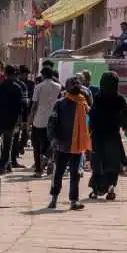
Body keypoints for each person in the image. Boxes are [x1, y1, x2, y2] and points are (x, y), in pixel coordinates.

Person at [88, 70, 127, 200]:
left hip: (98, 136)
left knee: (98, 163)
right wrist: (122, 123)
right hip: (113, 136)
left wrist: (90, 131)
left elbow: (92, 116)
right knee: (113, 163)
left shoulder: (97, 98)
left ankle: (95, 190)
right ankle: (110, 189)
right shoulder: (119, 99)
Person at [47, 76, 91, 211]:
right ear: (67, 87)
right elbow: (52, 122)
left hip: (77, 146)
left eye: (77, 83)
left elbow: (90, 120)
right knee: (58, 173)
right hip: (62, 144)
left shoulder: (83, 103)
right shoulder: (60, 103)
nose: (76, 85)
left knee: (75, 174)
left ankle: (73, 201)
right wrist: (53, 138)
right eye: (73, 84)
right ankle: (54, 199)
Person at [0, 64, 24, 175]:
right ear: (14, 75)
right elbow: (20, 106)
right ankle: (2, 166)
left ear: (5, 74)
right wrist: (19, 121)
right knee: (7, 145)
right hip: (11, 120)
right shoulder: (17, 88)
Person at [28, 65, 61, 177]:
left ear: (42, 75)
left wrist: (29, 120)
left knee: (36, 146)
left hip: (39, 121)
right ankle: (49, 159)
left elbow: (34, 105)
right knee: (50, 144)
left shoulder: (38, 87)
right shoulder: (58, 87)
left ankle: (38, 170)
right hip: (53, 120)